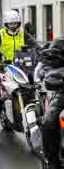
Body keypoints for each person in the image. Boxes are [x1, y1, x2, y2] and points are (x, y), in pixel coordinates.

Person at [0, 10, 26, 144]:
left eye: (16, 23)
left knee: (35, 87)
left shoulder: (23, 34)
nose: (14, 25)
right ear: (6, 24)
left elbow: (35, 46)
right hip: (2, 68)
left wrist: (43, 54)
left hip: (20, 67)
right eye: (11, 23)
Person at [39, 37, 64, 169]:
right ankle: (51, 159)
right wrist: (50, 74)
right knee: (49, 120)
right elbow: (45, 67)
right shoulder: (59, 44)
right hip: (62, 92)